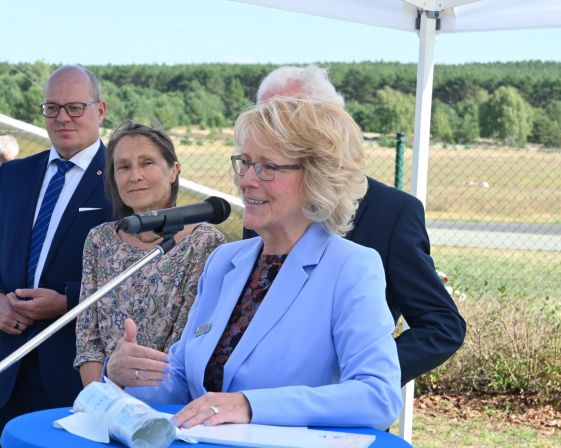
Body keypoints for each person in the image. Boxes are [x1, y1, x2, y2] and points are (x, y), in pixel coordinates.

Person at [106, 97, 403, 429]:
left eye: (267, 166)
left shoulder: (350, 267)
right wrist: (125, 374)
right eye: (245, 163)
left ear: (316, 178)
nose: (246, 179)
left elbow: (378, 395)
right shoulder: (225, 261)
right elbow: (181, 378)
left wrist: (250, 405)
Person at [248, 65, 466, 385]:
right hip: (251, 408)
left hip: (340, 420)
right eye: (265, 117)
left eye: (288, 121)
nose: (270, 131)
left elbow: (441, 325)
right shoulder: (263, 204)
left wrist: (363, 376)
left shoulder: (393, 212)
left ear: (332, 130)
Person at [0, 66, 113, 447]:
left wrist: (67, 302)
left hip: (77, 380)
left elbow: (136, 278)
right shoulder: (13, 176)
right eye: (52, 107)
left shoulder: (121, 179)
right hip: (8, 376)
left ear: (101, 111)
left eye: (76, 107)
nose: (63, 117)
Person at [75, 121, 225, 386]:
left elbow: (184, 345)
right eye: (123, 166)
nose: (134, 176)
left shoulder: (205, 243)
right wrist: (101, 400)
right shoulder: (100, 240)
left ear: (173, 171)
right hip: (104, 397)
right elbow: (88, 340)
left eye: (147, 163)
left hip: (168, 401)